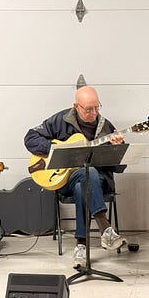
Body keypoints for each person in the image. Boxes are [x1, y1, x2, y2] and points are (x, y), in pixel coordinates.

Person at [24, 85, 126, 267]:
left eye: (97, 107)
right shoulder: (60, 120)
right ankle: (106, 230)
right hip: (64, 179)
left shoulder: (106, 127)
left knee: (87, 177)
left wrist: (117, 148)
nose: (94, 113)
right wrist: (58, 151)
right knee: (84, 177)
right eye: (88, 109)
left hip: (99, 181)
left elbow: (119, 167)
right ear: (76, 106)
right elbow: (30, 138)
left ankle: (81, 245)